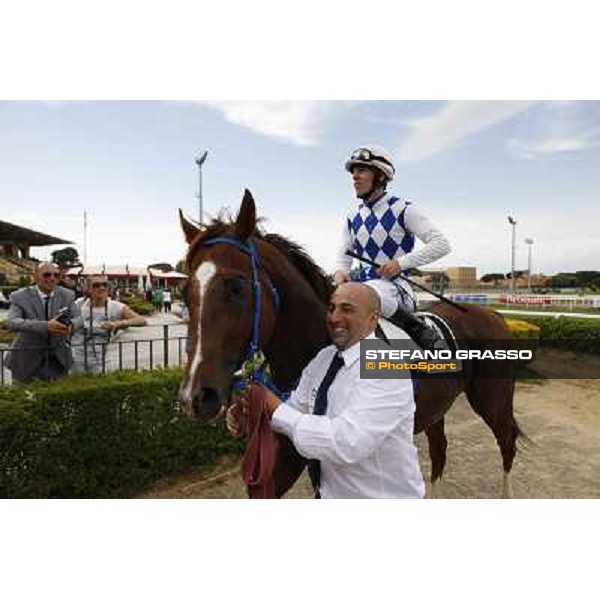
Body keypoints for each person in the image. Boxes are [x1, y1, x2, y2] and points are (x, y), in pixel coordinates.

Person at [226, 282, 425, 499]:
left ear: (372, 319)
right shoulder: (324, 359)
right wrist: (254, 415)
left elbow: (348, 442)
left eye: (347, 309)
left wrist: (274, 408)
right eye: (331, 308)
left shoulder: (386, 364)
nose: (334, 317)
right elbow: (295, 409)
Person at [334, 145, 451, 351]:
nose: (355, 176)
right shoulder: (352, 217)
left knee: (364, 294)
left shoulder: (403, 209)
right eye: (353, 172)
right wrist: (340, 273)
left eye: (362, 170)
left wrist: (400, 264)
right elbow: (344, 256)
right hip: (363, 288)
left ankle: (418, 329)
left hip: (396, 289)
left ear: (380, 176)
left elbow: (441, 244)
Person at [5, 262, 78, 382]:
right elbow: (12, 322)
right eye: (47, 275)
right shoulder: (19, 296)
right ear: (36, 276)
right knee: (26, 398)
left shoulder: (67, 295)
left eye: (56, 275)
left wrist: (71, 326)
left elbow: (78, 318)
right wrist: (46, 326)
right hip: (26, 359)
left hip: (58, 359)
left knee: (57, 397)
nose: (52, 278)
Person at [71, 275, 147, 373]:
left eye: (105, 285)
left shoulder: (116, 306)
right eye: (96, 285)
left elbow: (141, 320)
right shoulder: (79, 304)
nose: (101, 288)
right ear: (88, 289)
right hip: (77, 356)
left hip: (102, 358)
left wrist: (118, 323)